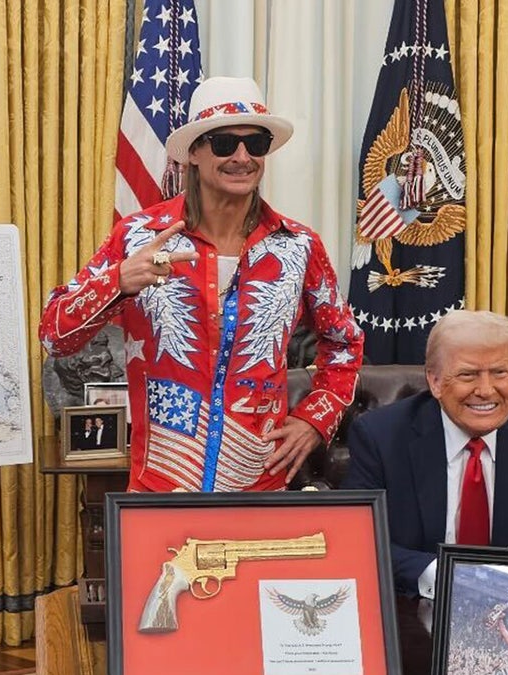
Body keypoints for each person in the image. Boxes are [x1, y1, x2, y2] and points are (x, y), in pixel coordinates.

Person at [40, 76, 363, 492]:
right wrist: (117, 282)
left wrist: (314, 419)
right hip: (162, 480)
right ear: (194, 152)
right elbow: (54, 336)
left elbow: (345, 342)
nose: (242, 157)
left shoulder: (298, 246)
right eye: (225, 143)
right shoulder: (138, 236)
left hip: (258, 481)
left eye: (256, 144)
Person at [341, 310, 508, 597]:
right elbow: (357, 540)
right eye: (468, 375)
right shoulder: (381, 436)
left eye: (500, 373)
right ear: (434, 381)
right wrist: (443, 575)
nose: (486, 390)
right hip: (416, 614)